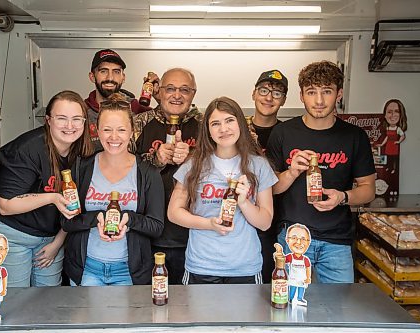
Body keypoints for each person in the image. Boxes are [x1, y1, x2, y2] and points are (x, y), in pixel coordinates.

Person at [267, 60, 376, 283]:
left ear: (339, 94)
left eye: (326, 91)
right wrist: (291, 171)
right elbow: (271, 189)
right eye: (311, 92)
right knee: (288, 306)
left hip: (337, 241)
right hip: (292, 237)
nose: (318, 100)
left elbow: (368, 190)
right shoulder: (282, 133)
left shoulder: (355, 136)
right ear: (301, 95)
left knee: (338, 312)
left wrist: (343, 197)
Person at [0, 90, 94, 287]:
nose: (70, 126)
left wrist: (57, 242)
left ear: (84, 121)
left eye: (77, 119)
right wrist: (52, 197)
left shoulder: (84, 152)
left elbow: (75, 207)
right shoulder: (28, 149)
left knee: (48, 299)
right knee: (15, 298)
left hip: (49, 235)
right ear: (48, 120)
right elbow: (6, 205)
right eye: (61, 118)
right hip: (7, 228)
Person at [168, 96, 277, 284]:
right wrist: (209, 224)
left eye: (229, 121)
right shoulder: (193, 165)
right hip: (201, 265)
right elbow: (173, 213)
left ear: (240, 123)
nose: (223, 129)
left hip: (245, 267)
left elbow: (265, 222)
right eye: (215, 124)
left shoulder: (258, 165)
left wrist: (243, 202)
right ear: (208, 131)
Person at [62, 93, 164, 286]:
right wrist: (98, 217)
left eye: (121, 130)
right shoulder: (81, 168)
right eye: (107, 129)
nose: (114, 137)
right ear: (97, 131)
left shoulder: (147, 173)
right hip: (86, 269)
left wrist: (128, 219)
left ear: (132, 131)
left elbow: (157, 226)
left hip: (129, 271)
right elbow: (66, 222)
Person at [133, 68, 202, 284]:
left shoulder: (207, 124)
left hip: (195, 236)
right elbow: (120, 169)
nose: (177, 95)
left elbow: (224, 164)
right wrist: (156, 159)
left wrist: (192, 156)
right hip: (148, 235)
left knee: (189, 307)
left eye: (184, 90)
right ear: (159, 91)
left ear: (193, 93)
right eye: (170, 88)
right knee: (149, 305)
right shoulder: (139, 122)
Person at [250, 69, 288, 283]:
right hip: (242, 219)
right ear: (253, 93)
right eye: (263, 90)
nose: (268, 97)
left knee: (272, 281)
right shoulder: (237, 129)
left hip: (277, 221)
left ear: (283, 100)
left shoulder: (289, 133)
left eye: (276, 94)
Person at [85, 49, 158, 146]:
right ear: (92, 76)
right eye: (103, 71)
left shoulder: (136, 108)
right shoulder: (82, 111)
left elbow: (165, 119)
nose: (110, 78)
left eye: (116, 72)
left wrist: (160, 97)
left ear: (123, 77)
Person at [274, 224, 311, 306]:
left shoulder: (305, 259)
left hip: (302, 279)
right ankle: (290, 298)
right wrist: (279, 253)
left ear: (308, 242)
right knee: (292, 288)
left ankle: (300, 299)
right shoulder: (290, 257)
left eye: (303, 239)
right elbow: (282, 260)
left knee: (301, 288)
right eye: (294, 238)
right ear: (287, 240)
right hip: (293, 278)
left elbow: (308, 268)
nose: (299, 242)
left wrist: (308, 278)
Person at [378, 99, 407, 174]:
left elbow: (403, 135)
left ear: (401, 114)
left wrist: (399, 141)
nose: (393, 115)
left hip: (394, 145)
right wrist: (382, 144)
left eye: (397, 111)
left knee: (394, 158)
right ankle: (388, 167)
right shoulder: (387, 128)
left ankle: (394, 168)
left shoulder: (398, 129)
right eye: (389, 112)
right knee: (388, 157)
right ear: (385, 115)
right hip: (388, 145)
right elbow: (387, 137)